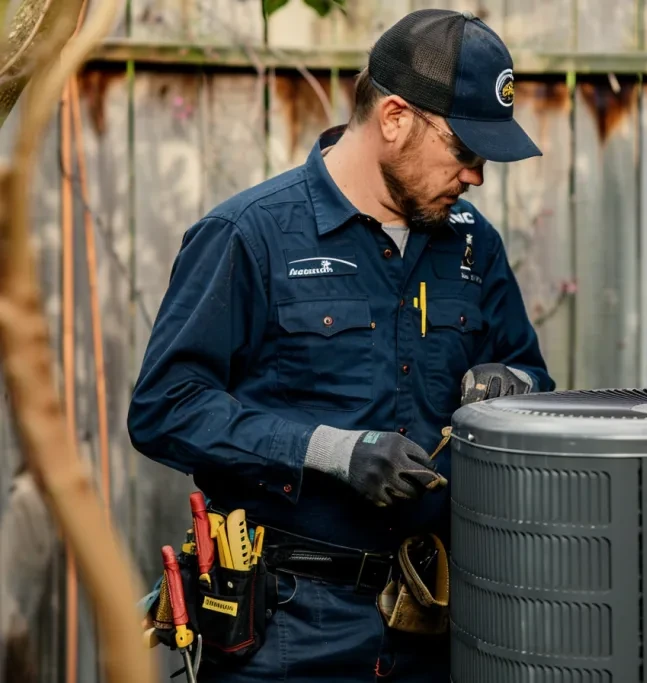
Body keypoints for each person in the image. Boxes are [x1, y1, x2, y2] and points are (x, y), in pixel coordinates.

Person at [126, 8, 553, 682]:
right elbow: (166, 408)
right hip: (289, 631)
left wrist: (514, 386)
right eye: (464, 150)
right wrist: (332, 451)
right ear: (393, 118)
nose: (476, 176)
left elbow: (535, 379)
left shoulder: (474, 245)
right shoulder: (250, 235)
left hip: (440, 622)